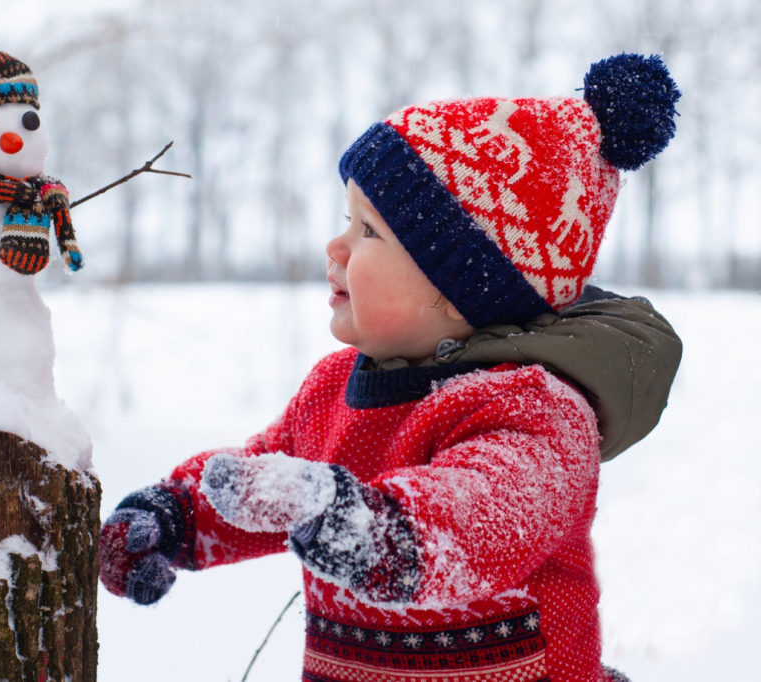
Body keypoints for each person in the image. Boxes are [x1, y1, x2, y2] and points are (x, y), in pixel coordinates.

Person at [99, 53, 681, 681]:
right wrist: (177, 517)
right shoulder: (332, 389)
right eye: (346, 220)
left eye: (370, 232)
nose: (337, 245)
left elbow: (481, 517)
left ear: (464, 284)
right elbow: (271, 481)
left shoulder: (535, 409)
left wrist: (358, 523)